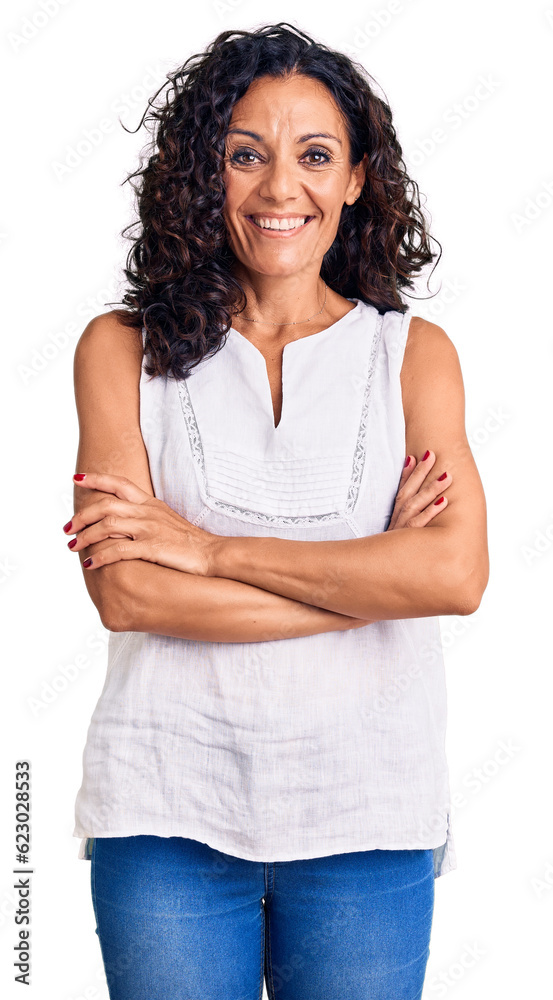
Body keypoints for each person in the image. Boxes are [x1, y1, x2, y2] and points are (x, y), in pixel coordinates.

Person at [65, 23, 489, 1000]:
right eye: (245, 154)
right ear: (201, 172)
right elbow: (129, 595)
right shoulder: (120, 351)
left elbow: (454, 575)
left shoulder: (411, 357)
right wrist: (370, 582)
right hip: (165, 811)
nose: (279, 187)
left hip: (366, 816)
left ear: (356, 178)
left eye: (315, 155)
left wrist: (206, 551)